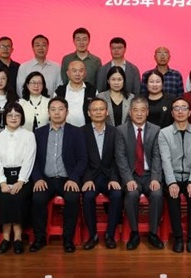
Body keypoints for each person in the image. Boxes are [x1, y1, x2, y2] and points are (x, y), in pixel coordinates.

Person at [29, 98, 86, 253]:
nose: (57, 113)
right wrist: (38, 178)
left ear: (67, 112)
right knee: (37, 199)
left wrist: (74, 178)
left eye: (61, 109)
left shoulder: (76, 132)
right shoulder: (38, 133)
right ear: (48, 112)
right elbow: (32, 159)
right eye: (53, 109)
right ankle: (39, 238)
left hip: (67, 179)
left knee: (72, 198)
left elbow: (82, 159)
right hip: (45, 179)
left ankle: (68, 239)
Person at [114, 97, 166, 250]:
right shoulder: (121, 130)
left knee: (157, 194)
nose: (139, 114)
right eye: (135, 110)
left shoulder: (155, 130)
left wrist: (156, 178)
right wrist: (128, 179)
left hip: (150, 174)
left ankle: (153, 233)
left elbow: (157, 156)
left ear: (147, 112)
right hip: (132, 175)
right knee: (131, 194)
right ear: (130, 112)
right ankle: (134, 233)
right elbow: (120, 157)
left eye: (142, 110)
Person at [158, 97, 191, 253]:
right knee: (172, 197)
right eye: (176, 108)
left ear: (189, 112)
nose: (180, 111)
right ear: (172, 113)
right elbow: (165, 159)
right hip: (173, 176)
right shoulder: (164, 133)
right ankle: (178, 237)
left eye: (184, 108)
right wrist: (171, 182)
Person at [0, 102, 36, 254]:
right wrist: (2, 182)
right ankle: (5, 238)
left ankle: (17, 238)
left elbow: (29, 160)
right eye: (10, 115)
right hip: (2, 176)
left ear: (22, 117)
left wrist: (21, 181)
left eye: (17, 115)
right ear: (5, 117)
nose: (14, 118)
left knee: (18, 198)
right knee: (4, 198)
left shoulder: (29, 136)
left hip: (23, 176)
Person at [80, 98, 124, 250]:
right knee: (88, 197)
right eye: (94, 109)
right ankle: (92, 235)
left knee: (117, 195)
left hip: (109, 176)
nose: (98, 112)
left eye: (101, 109)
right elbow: (80, 159)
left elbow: (118, 158)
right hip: (90, 177)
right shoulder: (81, 132)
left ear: (107, 112)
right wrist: (87, 178)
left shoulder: (115, 132)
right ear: (89, 113)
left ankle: (110, 235)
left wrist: (114, 178)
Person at [54, 59, 97, 127]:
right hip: (64, 129)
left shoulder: (92, 90)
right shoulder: (60, 91)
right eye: (74, 71)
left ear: (85, 73)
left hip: (87, 129)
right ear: (68, 73)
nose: (77, 74)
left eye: (81, 71)